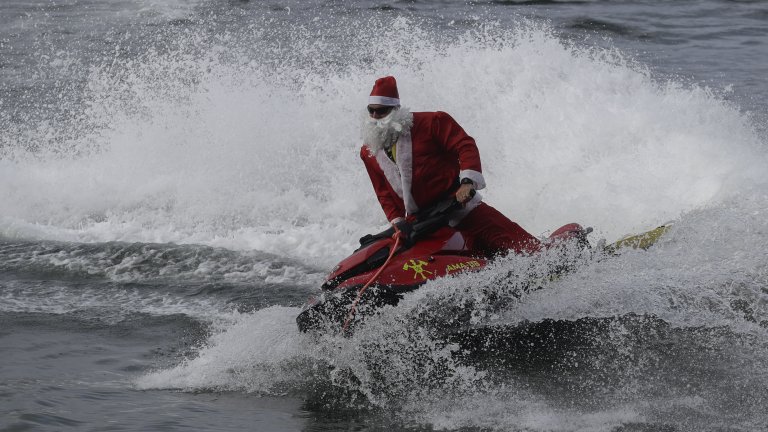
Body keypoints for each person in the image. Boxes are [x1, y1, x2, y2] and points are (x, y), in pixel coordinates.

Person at [360, 76, 542, 256]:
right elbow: (383, 193)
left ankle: (545, 256)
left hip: (458, 206)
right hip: (421, 223)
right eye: (371, 111)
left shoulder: (432, 123)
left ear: (396, 109)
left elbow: (465, 145)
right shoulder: (369, 152)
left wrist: (467, 182)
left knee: (521, 246)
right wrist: (398, 222)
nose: (375, 117)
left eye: (382, 111)